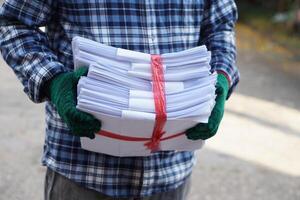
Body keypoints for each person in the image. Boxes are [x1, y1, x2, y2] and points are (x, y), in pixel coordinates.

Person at [0, 0, 239, 199]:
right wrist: (53, 80)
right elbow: (12, 23)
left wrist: (220, 78)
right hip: (83, 170)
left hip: (171, 169)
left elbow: (220, 27)